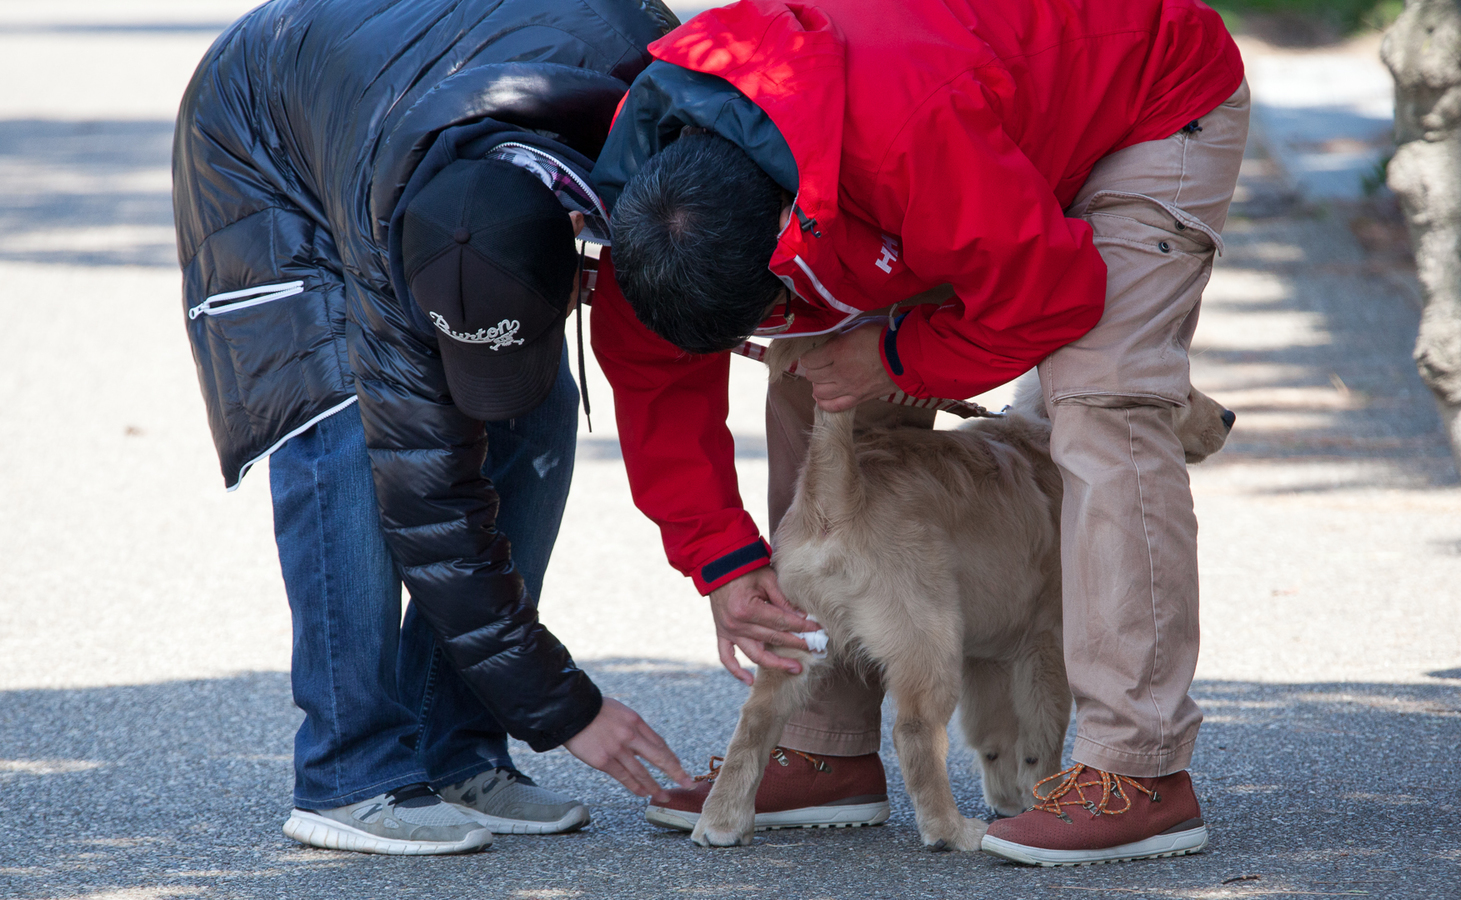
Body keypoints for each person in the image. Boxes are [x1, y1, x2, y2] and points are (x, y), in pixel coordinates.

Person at [586, 0, 1248, 866]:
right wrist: (726, 560)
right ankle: (826, 744)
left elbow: (1050, 295)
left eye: (770, 302)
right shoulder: (655, 205)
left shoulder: (906, 135)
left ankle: (1138, 770)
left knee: (1101, 400)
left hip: (1144, 97)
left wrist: (897, 353)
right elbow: (654, 377)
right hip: (960, 143)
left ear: (786, 226)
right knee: (816, 375)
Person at [172, 0, 691, 856]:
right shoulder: (387, 229)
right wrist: (564, 707)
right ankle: (350, 773)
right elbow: (430, 504)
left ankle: (453, 749)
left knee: (539, 406)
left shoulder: (660, 106)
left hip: (421, 84)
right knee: (344, 420)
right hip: (267, 137)